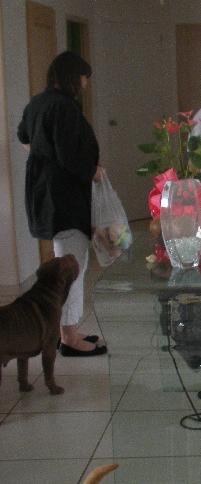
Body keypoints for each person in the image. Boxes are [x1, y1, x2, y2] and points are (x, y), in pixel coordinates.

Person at [17, 51, 108, 357]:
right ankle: (69, 338)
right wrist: (93, 171)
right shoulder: (64, 107)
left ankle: (66, 331)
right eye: (83, 77)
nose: (84, 84)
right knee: (72, 267)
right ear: (72, 77)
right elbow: (70, 155)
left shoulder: (37, 103)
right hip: (64, 198)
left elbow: (24, 138)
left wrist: (44, 157)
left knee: (69, 261)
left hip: (44, 194)